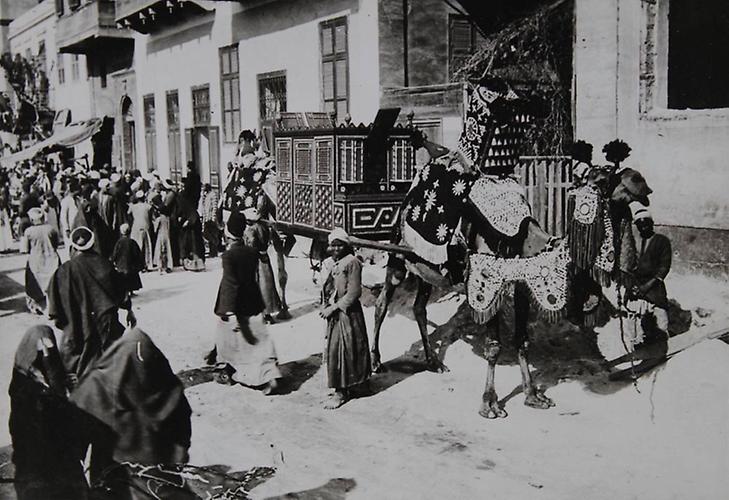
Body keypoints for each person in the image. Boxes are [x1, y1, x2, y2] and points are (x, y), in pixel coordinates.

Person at [71, 327, 192, 496]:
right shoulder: (95, 388)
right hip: (122, 478)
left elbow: (181, 419)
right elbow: (73, 441)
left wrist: (179, 453)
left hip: (157, 474)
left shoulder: (162, 383)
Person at [9, 325, 88, 500]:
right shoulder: (24, 392)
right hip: (38, 470)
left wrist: (69, 388)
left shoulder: (50, 375)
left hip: (63, 465)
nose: (46, 353)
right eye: (41, 349)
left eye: (49, 348)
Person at [47, 226, 135, 379]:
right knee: (110, 358)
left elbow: (54, 304)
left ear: (74, 246)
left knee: (81, 361)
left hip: (78, 323)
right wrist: (129, 311)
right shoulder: (105, 265)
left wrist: (62, 319)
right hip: (105, 321)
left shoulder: (65, 270)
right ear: (93, 243)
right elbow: (121, 292)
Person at [210, 210, 281, 394]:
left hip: (236, 304)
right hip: (253, 300)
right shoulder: (251, 252)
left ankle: (229, 371)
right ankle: (268, 373)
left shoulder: (228, 256)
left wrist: (228, 309)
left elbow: (230, 283)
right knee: (258, 339)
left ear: (228, 233)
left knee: (230, 339)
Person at [319, 228, 371, 409]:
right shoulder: (336, 263)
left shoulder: (352, 262)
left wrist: (333, 307)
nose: (334, 249)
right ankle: (347, 386)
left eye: (338, 245)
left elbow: (354, 292)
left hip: (347, 313)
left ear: (346, 246)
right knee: (341, 350)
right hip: (336, 313)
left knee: (341, 350)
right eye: (332, 246)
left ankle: (341, 392)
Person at [626, 205, 672, 346]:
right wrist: (632, 286)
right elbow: (628, 265)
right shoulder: (633, 242)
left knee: (660, 322)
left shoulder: (662, 241)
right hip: (636, 287)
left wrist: (647, 286)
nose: (643, 226)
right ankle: (635, 347)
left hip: (654, 288)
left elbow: (663, 268)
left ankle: (660, 346)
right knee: (633, 320)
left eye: (646, 222)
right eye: (640, 224)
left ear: (651, 223)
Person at [243, 207, 281, 324]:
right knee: (267, 286)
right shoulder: (264, 228)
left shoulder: (250, 230)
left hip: (255, 259)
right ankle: (268, 313)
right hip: (265, 258)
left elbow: (251, 244)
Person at [20, 207, 60, 314]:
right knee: (53, 283)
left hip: (36, 260)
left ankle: (36, 306)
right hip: (51, 258)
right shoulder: (51, 229)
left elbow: (25, 249)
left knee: (33, 283)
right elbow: (56, 244)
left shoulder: (28, 232)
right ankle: (53, 306)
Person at [111, 223, 144, 295]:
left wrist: (113, 261)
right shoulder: (132, 242)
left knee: (123, 280)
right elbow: (137, 254)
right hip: (130, 265)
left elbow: (115, 254)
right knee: (131, 278)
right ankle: (131, 292)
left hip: (121, 265)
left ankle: (125, 293)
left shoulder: (118, 242)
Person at [128, 189, 154, 271]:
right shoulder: (148, 206)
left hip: (136, 226)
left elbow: (128, 214)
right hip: (145, 226)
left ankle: (137, 264)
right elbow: (151, 217)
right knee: (146, 246)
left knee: (137, 245)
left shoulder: (133, 207)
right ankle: (147, 264)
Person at [153, 181, 174, 274]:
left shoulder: (159, 218)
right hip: (166, 235)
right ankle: (167, 266)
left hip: (160, 235)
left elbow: (155, 228)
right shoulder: (167, 218)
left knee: (160, 250)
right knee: (167, 250)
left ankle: (160, 267)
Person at [201, 183, 221, 258]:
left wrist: (213, 218)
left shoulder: (213, 195)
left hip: (211, 219)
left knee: (213, 235)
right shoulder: (206, 195)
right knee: (207, 234)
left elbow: (214, 207)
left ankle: (214, 252)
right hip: (207, 218)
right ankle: (211, 251)